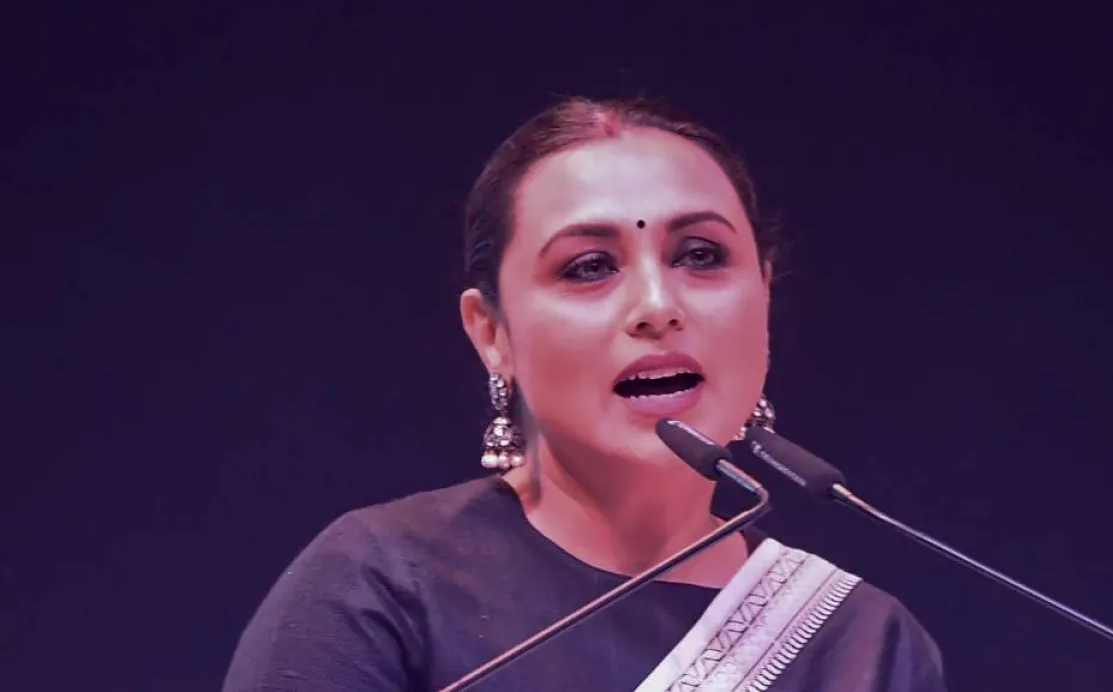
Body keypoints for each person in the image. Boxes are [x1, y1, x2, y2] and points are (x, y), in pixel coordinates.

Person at [221, 98, 947, 691]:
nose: (658, 305)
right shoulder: (380, 585)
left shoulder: (861, 647)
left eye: (701, 255)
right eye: (589, 266)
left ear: (763, 291)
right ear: (491, 331)